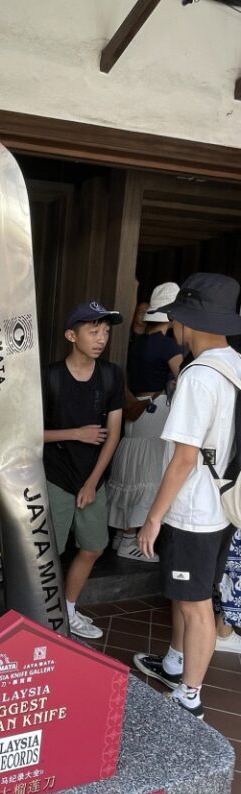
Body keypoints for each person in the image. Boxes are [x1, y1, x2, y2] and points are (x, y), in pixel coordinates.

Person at [133, 273, 241, 718]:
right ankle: (175, 663)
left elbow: (183, 459)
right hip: (224, 504)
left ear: (188, 322)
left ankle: (189, 696)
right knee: (190, 592)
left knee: (196, 605)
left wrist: (153, 517)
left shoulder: (198, 377)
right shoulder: (235, 364)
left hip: (194, 509)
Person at [43, 301, 124, 639]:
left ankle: (69, 609)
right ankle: (42, 616)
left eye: (105, 331)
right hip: (56, 475)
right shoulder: (50, 377)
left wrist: (92, 483)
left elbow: (114, 432)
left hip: (93, 476)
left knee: (92, 547)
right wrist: (76, 434)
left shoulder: (111, 375)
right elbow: (29, 432)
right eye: (93, 331)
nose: (101, 338)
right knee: (50, 552)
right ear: (71, 336)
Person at [108, 283, 183, 560]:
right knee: (149, 474)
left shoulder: (139, 342)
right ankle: (131, 540)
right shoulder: (168, 345)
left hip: (135, 410)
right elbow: (184, 379)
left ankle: (121, 535)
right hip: (156, 410)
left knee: (131, 472)